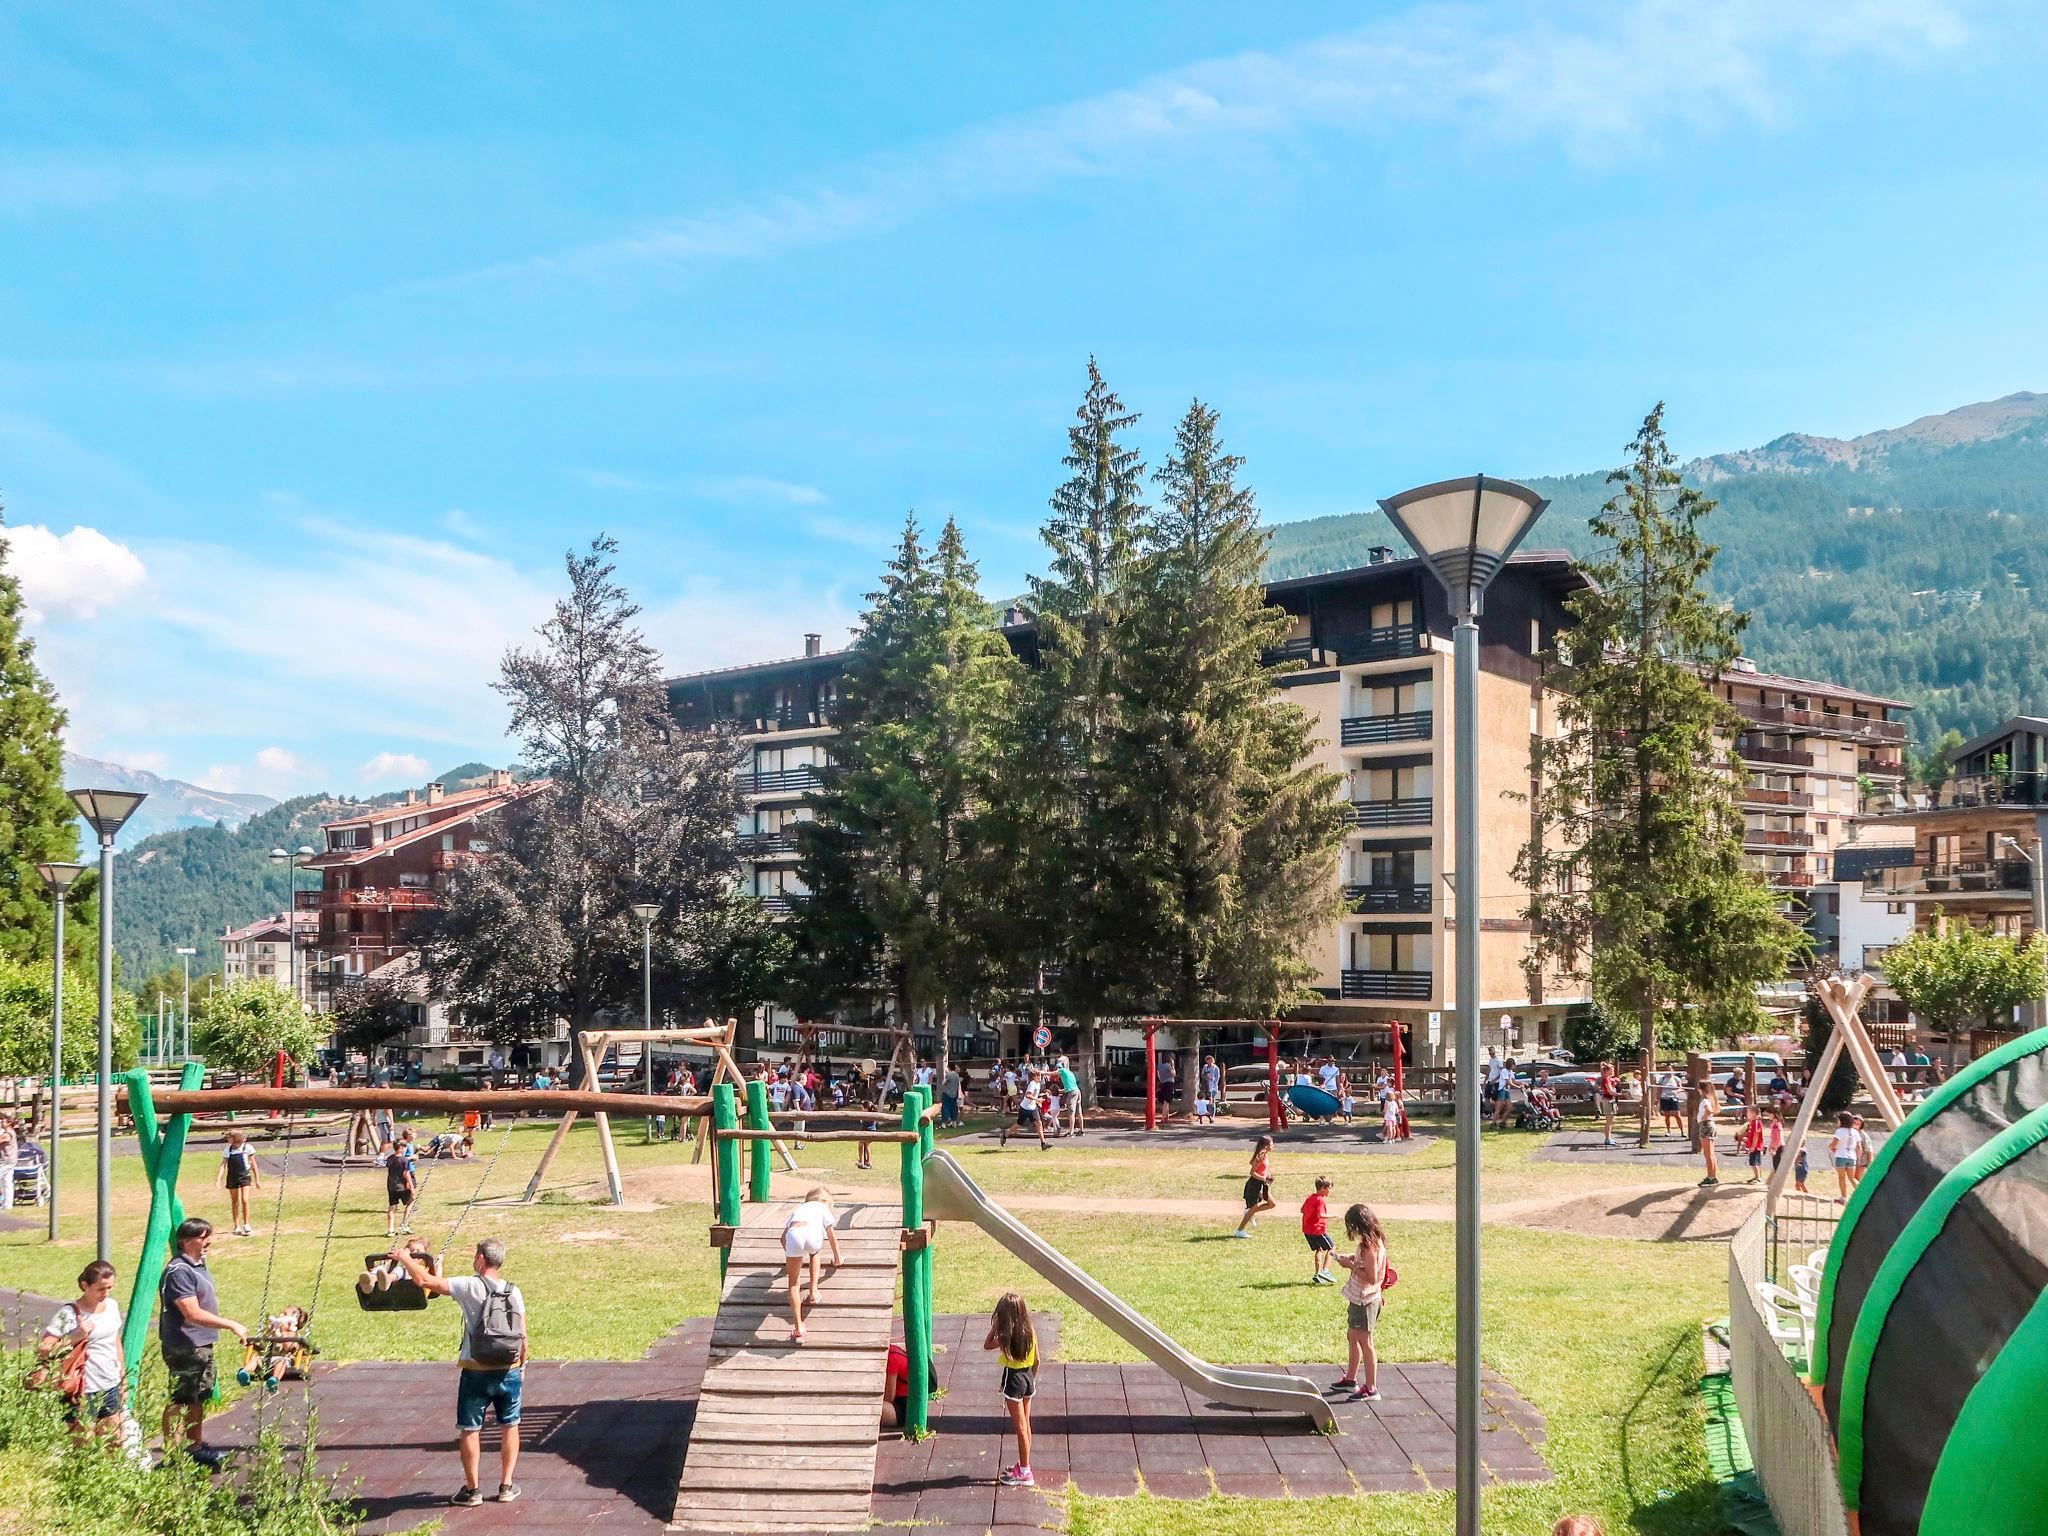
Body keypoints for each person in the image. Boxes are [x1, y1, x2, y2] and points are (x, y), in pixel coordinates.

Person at [388, 1236, 526, 1506]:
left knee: (470, 1429)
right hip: (508, 1369)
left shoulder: (470, 1285)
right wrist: (521, 1367)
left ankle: (473, 1491)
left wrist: (404, 1259)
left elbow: (427, 1283)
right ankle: (506, 1486)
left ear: (482, 1259)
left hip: (476, 1369)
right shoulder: (514, 1290)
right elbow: (523, 1334)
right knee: (510, 1425)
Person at [159, 1217, 246, 1467]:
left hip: (200, 1345)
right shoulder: (179, 1271)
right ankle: (173, 1454)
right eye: (203, 1237)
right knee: (181, 1400)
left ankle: (195, 1447)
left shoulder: (197, 1265)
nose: (209, 1241)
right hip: (185, 1345)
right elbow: (191, 1313)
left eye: (209, 1235)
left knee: (197, 1397)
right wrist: (230, 1324)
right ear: (186, 1242)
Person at [40, 1259, 125, 1441]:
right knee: (83, 1444)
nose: (106, 1293)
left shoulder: (112, 1306)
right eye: (101, 1289)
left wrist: (122, 1377)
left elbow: (115, 1341)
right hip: (81, 1390)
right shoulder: (69, 1314)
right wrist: (75, 1336)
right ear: (84, 1285)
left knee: (114, 1441)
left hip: (110, 1384)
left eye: (110, 1287)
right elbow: (43, 1350)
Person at [1331, 1203, 1387, 1402]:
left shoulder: (1369, 1246)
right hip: (1360, 1298)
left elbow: (1371, 1276)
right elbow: (1368, 1264)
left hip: (1366, 1300)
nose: (1351, 1230)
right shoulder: (1372, 1240)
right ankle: (1350, 1378)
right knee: (1352, 1336)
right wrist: (1352, 1258)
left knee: (1365, 1342)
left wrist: (1351, 1266)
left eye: (1352, 1226)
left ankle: (1371, 1388)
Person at [985, 1292, 1037, 1488]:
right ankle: (1024, 1465)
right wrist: (1032, 1378)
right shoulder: (1030, 1330)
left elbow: (987, 1345)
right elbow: (1037, 1359)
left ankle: (1025, 1472)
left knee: (1020, 1428)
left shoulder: (1006, 1336)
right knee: (1027, 1426)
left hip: (1014, 1380)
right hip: (1028, 1377)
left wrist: (995, 1328)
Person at [782, 1187, 843, 1343]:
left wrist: (792, 1256)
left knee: (793, 1283)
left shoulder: (800, 1209)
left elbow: (783, 1239)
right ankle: (814, 1292)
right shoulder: (823, 1208)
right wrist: (838, 1258)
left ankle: (798, 1328)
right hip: (811, 1236)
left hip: (794, 1234)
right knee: (814, 1253)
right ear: (827, 1202)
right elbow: (832, 1238)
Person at [217, 1129, 260, 1236]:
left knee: (245, 1199)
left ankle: (246, 1224)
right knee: (234, 1202)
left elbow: (254, 1165)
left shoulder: (247, 1148)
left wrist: (257, 1180)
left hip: (244, 1176)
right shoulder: (228, 1149)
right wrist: (218, 1179)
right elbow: (223, 1164)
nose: (228, 1139)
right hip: (232, 1176)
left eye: (229, 1137)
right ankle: (237, 1225)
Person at [1233, 1135, 1275, 1237]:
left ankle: (1250, 1212)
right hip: (1254, 1185)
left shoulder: (1264, 1155)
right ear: (1266, 1145)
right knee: (1252, 1209)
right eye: (1271, 1144)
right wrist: (1264, 1178)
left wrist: (1266, 1174)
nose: (1273, 1146)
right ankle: (1240, 1230)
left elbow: (1252, 1163)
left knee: (1272, 1203)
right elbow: (1252, 1172)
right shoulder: (1261, 1156)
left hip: (1261, 1184)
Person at [1301, 1176, 1335, 1284]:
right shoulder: (1320, 1200)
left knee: (1319, 1249)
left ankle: (1317, 1274)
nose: (1330, 1190)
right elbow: (1321, 1214)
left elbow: (1302, 1210)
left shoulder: (1310, 1197)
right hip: (1318, 1230)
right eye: (1329, 1188)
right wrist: (1332, 1215)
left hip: (1307, 1230)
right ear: (1322, 1188)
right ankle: (1325, 1271)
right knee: (1332, 1248)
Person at [382, 1137, 417, 1236]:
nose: (406, 1149)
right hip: (402, 1186)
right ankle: (404, 1224)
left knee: (392, 1207)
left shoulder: (390, 1158)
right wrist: (411, 1186)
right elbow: (406, 1173)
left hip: (391, 1186)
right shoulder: (404, 1160)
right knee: (410, 1202)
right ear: (401, 1148)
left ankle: (390, 1229)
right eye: (405, 1147)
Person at [1696, 1084, 1721, 1187]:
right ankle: (1712, 1176)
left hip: (1706, 1125)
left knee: (1708, 1154)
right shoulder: (1710, 1099)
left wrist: (1703, 1117)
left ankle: (1711, 1177)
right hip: (1710, 1125)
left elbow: (1709, 1110)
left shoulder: (1705, 1101)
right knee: (1711, 1154)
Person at [1738, 1107, 1766, 1184]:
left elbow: (1756, 1135)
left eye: (1748, 1113)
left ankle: (1758, 1178)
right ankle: (1756, 1176)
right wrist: (1747, 1139)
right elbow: (1752, 1134)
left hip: (1756, 1146)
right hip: (1753, 1145)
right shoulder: (1753, 1122)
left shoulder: (1756, 1122)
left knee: (1754, 1162)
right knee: (1756, 1162)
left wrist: (1753, 1146)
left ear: (1753, 1113)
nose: (1747, 1114)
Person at [1056, 1056, 1083, 1136]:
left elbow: (1051, 1073)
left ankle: (1071, 1132)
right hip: (1077, 1091)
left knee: (1071, 1112)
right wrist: (1061, 1091)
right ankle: (1081, 1130)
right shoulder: (1070, 1073)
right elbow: (1070, 1086)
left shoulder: (1063, 1070)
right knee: (1079, 1112)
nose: (1058, 1069)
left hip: (1072, 1093)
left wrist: (1042, 1072)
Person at [1597, 1060, 1620, 1148]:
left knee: (1610, 1121)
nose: (1613, 1071)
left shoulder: (1609, 1079)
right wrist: (1620, 1095)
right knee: (1609, 1121)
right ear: (1607, 1071)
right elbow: (1610, 1091)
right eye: (1612, 1069)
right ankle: (1607, 1139)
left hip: (1610, 1099)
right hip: (1608, 1099)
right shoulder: (1606, 1079)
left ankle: (1609, 1138)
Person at [1657, 1069, 1685, 1135]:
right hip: (1664, 1098)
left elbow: (1680, 1088)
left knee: (1677, 1115)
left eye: (1670, 1070)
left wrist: (1677, 1091)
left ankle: (1682, 1131)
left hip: (1673, 1098)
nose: (1668, 1071)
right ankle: (1668, 1131)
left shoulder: (1676, 1079)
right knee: (1667, 1115)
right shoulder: (1662, 1079)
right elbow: (1659, 1089)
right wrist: (1657, 1099)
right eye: (1667, 1070)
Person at [940, 1063, 962, 1128]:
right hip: (954, 1094)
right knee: (953, 1108)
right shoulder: (957, 1075)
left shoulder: (948, 1074)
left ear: (949, 1068)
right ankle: (954, 1123)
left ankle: (944, 1123)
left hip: (947, 1093)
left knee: (945, 1108)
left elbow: (943, 1083)